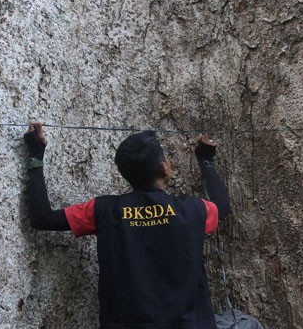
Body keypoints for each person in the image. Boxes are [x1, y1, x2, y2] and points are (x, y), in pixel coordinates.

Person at [23, 121, 232, 329]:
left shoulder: (104, 211)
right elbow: (222, 206)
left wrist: (36, 155)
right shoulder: (193, 210)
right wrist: (205, 160)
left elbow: (43, 218)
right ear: (163, 168)